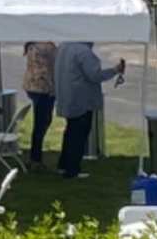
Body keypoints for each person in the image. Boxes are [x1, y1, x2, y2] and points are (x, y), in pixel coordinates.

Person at [52, 38, 126, 178]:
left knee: (70, 132)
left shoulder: (64, 46)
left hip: (66, 96)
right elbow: (95, 75)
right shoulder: (84, 52)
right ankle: (72, 170)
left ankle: (63, 165)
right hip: (81, 100)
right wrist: (115, 70)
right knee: (78, 135)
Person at [20, 38, 58, 160]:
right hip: (43, 89)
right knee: (42, 122)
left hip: (33, 87)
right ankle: (35, 157)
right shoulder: (47, 47)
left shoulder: (32, 45)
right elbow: (55, 64)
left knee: (41, 122)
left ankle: (35, 154)